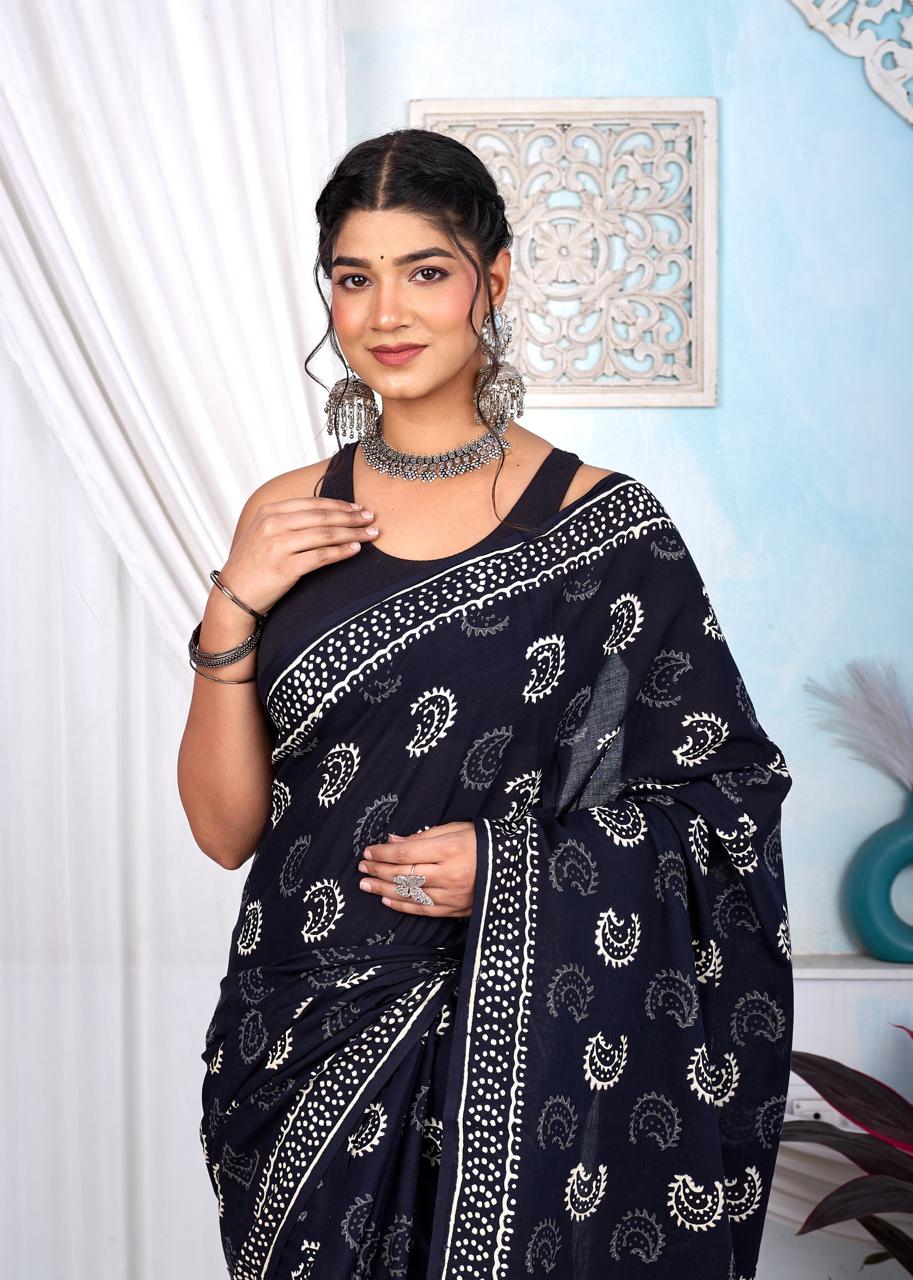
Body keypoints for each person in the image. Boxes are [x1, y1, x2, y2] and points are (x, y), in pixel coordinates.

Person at [178, 127, 794, 1280]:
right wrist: (230, 607)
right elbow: (224, 831)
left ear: (492, 279)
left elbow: (724, 799)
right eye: (353, 277)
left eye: (425, 270)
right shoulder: (284, 514)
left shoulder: (604, 531)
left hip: (529, 1050)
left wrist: (514, 868)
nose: (385, 313)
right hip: (295, 1036)